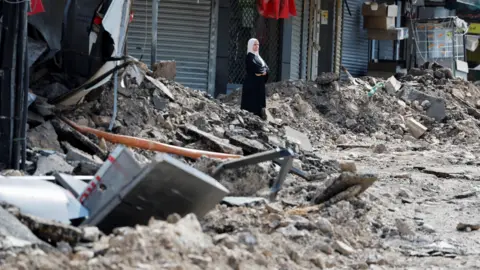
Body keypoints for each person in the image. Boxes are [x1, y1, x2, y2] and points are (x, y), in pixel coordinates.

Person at [241, 38, 269, 118]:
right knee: (251, 102)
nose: (257, 46)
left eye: (258, 45)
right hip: (251, 83)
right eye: (255, 44)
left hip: (259, 83)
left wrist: (264, 71)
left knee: (259, 101)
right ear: (250, 45)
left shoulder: (258, 57)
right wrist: (262, 71)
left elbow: (266, 67)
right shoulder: (249, 57)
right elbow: (255, 68)